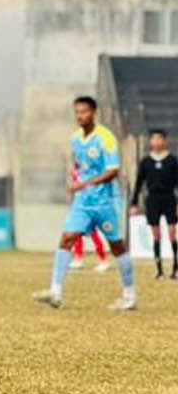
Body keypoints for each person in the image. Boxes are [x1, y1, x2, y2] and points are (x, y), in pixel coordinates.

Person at [35, 95, 136, 311]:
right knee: (66, 239)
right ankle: (55, 292)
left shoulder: (106, 138)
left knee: (117, 246)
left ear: (94, 113)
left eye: (84, 112)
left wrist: (84, 184)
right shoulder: (75, 139)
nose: (80, 116)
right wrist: (75, 179)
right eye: (77, 112)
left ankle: (129, 295)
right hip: (83, 201)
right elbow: (80, 164)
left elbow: (113, 170)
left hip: (105, 202)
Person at [134, 128, 178, 278]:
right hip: (153, 199)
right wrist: (134, 203)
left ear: (164, 141)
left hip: (169, 198)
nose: (156, 142)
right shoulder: (146, 161)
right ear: (150, 141)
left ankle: (175, 268)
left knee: (172, 233)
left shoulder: (172, 160)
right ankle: (159, 270)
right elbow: (139, 183)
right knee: (156, 235)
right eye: (153, 139)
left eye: (159, 139)